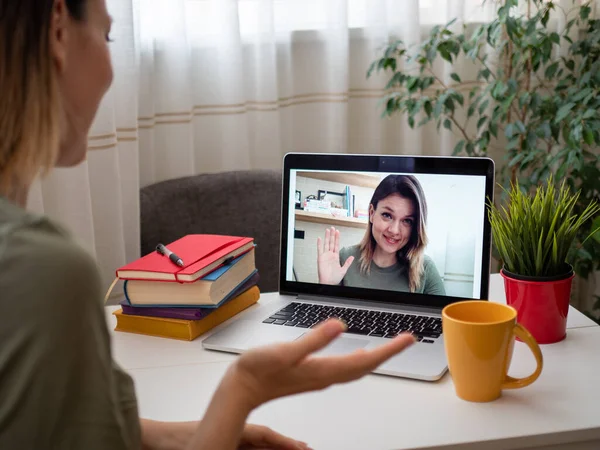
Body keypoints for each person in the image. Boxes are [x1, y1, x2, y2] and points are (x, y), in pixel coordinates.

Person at [0, 1, 415, 449]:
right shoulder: (42, 270)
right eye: (107, 37)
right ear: (59, 29)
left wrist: (203, 433)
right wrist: (242, 390)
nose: (110, 69)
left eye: (407, 221)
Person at [317, 175, 446, 295]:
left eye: (407, 221)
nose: (394, 230)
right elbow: (329, 318)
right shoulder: (345, 258)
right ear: (372, 213)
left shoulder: (426, 269)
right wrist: (326, 287)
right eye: (387, 215)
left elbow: (442, 319)